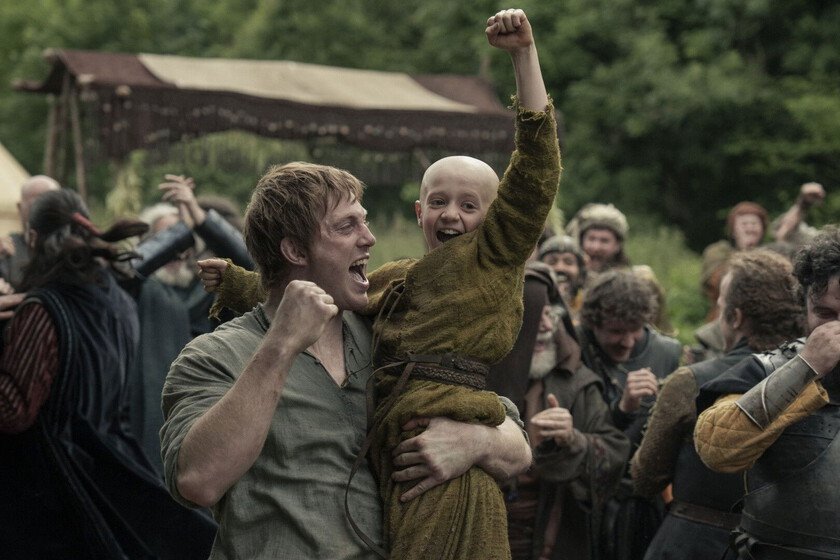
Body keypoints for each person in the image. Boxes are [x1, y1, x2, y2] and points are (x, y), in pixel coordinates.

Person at [190, 10, 557, 559]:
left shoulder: (495, 259)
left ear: (497, 218)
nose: (451, 214)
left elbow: (534, 172)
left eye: (469, 205)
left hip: (447, 438)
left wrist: (524, 56)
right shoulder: (396, 280)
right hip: (394, 448)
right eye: (439, 201)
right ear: (419, 212)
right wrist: (242, 284)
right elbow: (317, 296)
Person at [0, 188, 216, 559]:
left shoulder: (43, 308)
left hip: (49, 495)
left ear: (32, 238)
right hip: (101, 477)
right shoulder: (116, 301)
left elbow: (11, 410)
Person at [630, 250, 805, 560]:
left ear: (735, 317)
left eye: (722, 305)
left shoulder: (690, 381)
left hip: (691, 545)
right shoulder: (816, 381)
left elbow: (645, 478)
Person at [694, 226, 840, 559]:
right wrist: (806, 367)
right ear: (804, 308)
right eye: (825, 314)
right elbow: (715, 448)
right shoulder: (767, 368)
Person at [490, 262, 628, 560]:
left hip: (554, 540)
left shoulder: (578, 382)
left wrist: (574, 439)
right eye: (533, 315)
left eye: (550, 314)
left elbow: (615, 455)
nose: (545, 326)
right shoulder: (478, 379)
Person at [576, 269, 681, 560]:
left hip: (646, 501)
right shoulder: (575, 349)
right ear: (592, 324)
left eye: (635, 329)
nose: (627, 342)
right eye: (616, 331)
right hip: (591, 497)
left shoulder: (667, 352)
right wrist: (623, 409)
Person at [0, 175, 60, 292]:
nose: (43, 214)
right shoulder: (7, 249)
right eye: (35, 206)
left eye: (49, 206)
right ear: (19, 207)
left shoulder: (73, 250)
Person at [565, 203, 630, 273]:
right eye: (591, 239)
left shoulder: (629, 278)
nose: (596, 247)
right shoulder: (565, 274)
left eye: (604, 241)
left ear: (617, 245)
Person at [538, 234, 586, 316]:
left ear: (580, 271)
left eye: (568, 262)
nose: (560, 268)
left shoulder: (589, 304)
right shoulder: (529, 302)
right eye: (552, 262)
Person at [773, 181, 825, 246]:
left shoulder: (802, 214)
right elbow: (780, 236)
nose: (816, 199)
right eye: (814, 196)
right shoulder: (795, 214)